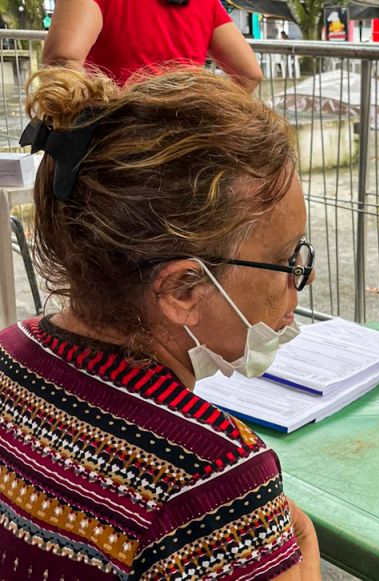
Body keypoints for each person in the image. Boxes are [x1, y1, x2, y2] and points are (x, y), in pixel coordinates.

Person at [0, 67, 320, 579]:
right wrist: (297, 545)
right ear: (183, 290)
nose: (300, 281)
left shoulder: (7, 349)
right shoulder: (214, 479)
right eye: (288, 261)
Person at [42, 0, 264, 93]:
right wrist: (209, 113)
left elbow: (62, 62)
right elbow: (250, 74)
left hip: (114, 149)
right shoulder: (205, 2)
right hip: (187, 142)